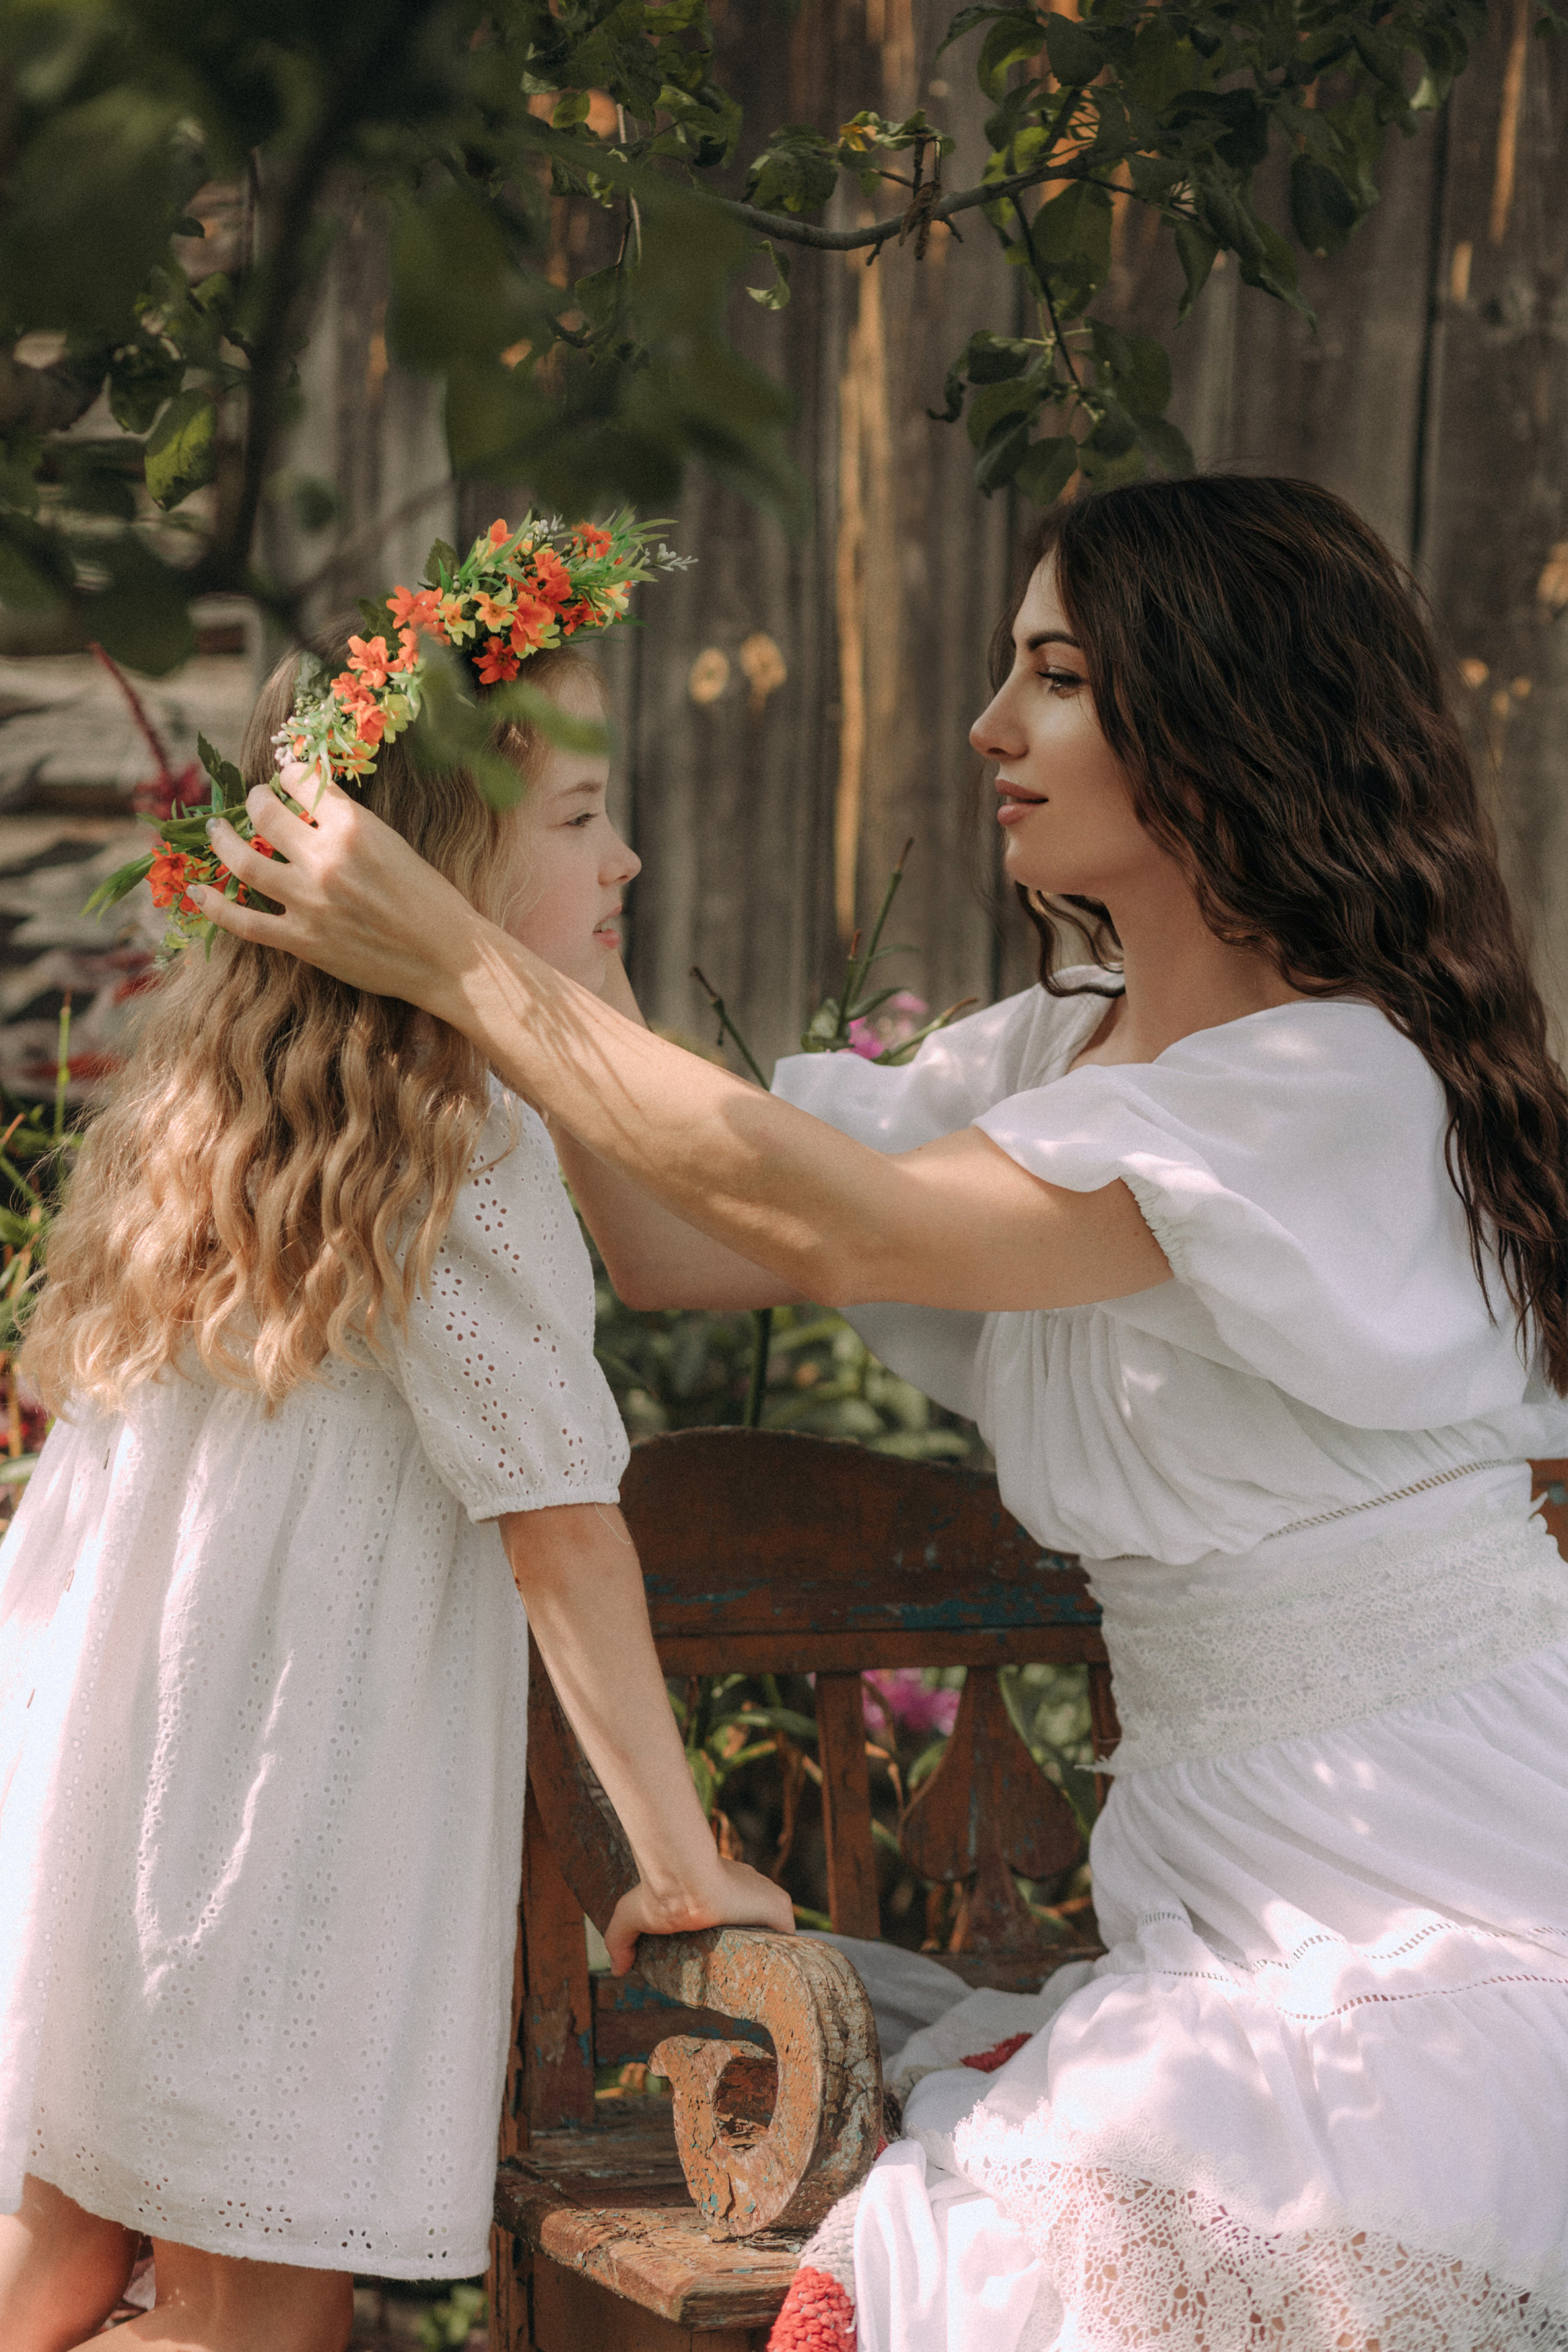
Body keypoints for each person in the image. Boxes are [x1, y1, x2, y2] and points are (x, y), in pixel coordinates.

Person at [194, 476, 1568, 2351]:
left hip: (1444, 1877)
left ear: (1222, 725)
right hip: (1221, 1879)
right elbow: (688, 1232)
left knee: (1120, 2254)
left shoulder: (1327, 1082)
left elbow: (835, 1222)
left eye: (1057, 676)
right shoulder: (1054, 1057)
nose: (993, 726)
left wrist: (455, 952)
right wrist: (529, 890)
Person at [0, 519, 791, 2352]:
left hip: (95, 1796)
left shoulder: (229, 1114)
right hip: (280, 1829)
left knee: (55, 2269)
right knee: (252, 2315)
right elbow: (559, 1523)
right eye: (585, 817)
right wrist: (681, 1859)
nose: (631, 859)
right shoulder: (460, 1149)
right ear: (448, 865)